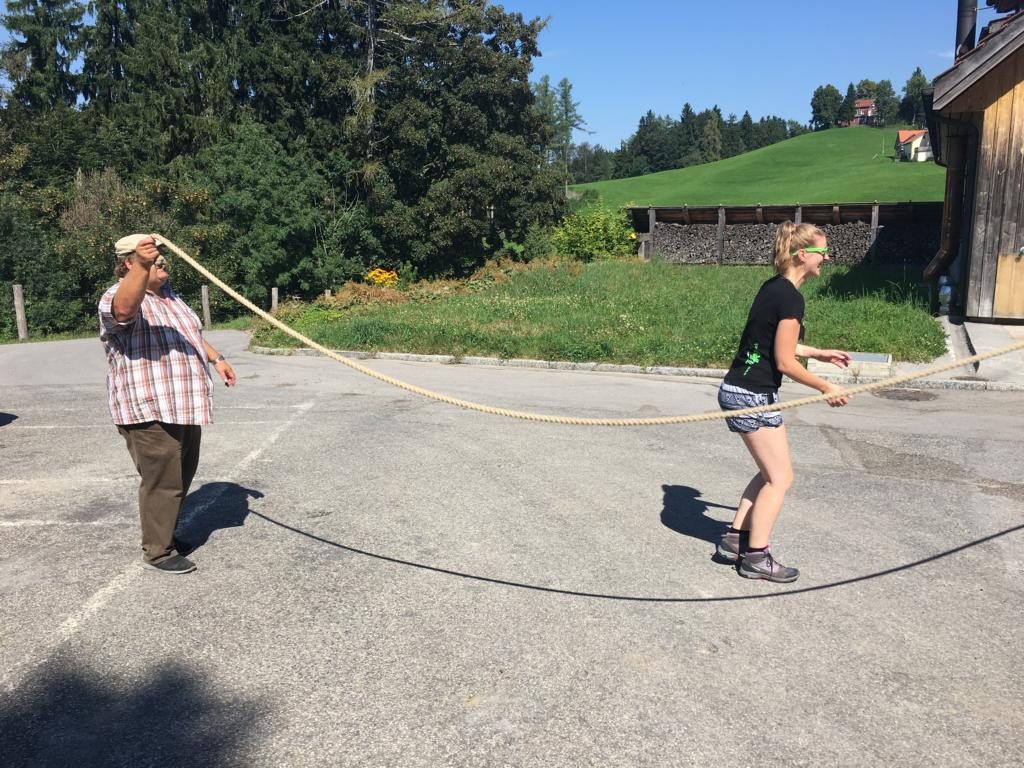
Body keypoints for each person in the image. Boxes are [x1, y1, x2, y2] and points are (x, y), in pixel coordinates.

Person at [715, 221, 851, 583]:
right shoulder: (791, 297)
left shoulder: (774, 288)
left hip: (741, 388)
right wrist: (825, 387)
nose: (827, 258)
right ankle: (756, 557)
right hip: (753, 394)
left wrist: (818, 353)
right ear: (803, 254)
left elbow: (774, 344)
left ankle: (735, 539)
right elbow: (784, 362)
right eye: (823, 252)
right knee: (780, 479)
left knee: (769, 473)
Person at [99, 234, 236, 574]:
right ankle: (158, 552)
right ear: (129, 263)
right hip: (149, 408)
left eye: (162, 258)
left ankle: (166, 534)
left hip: (184, 404)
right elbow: (123, 311)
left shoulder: (170, 297)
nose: (162, 262)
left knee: (181, 474)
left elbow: (191, 334)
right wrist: (143, 265)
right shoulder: (118, 295)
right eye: (153, 259)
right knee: (163, 481)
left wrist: (216, 358)